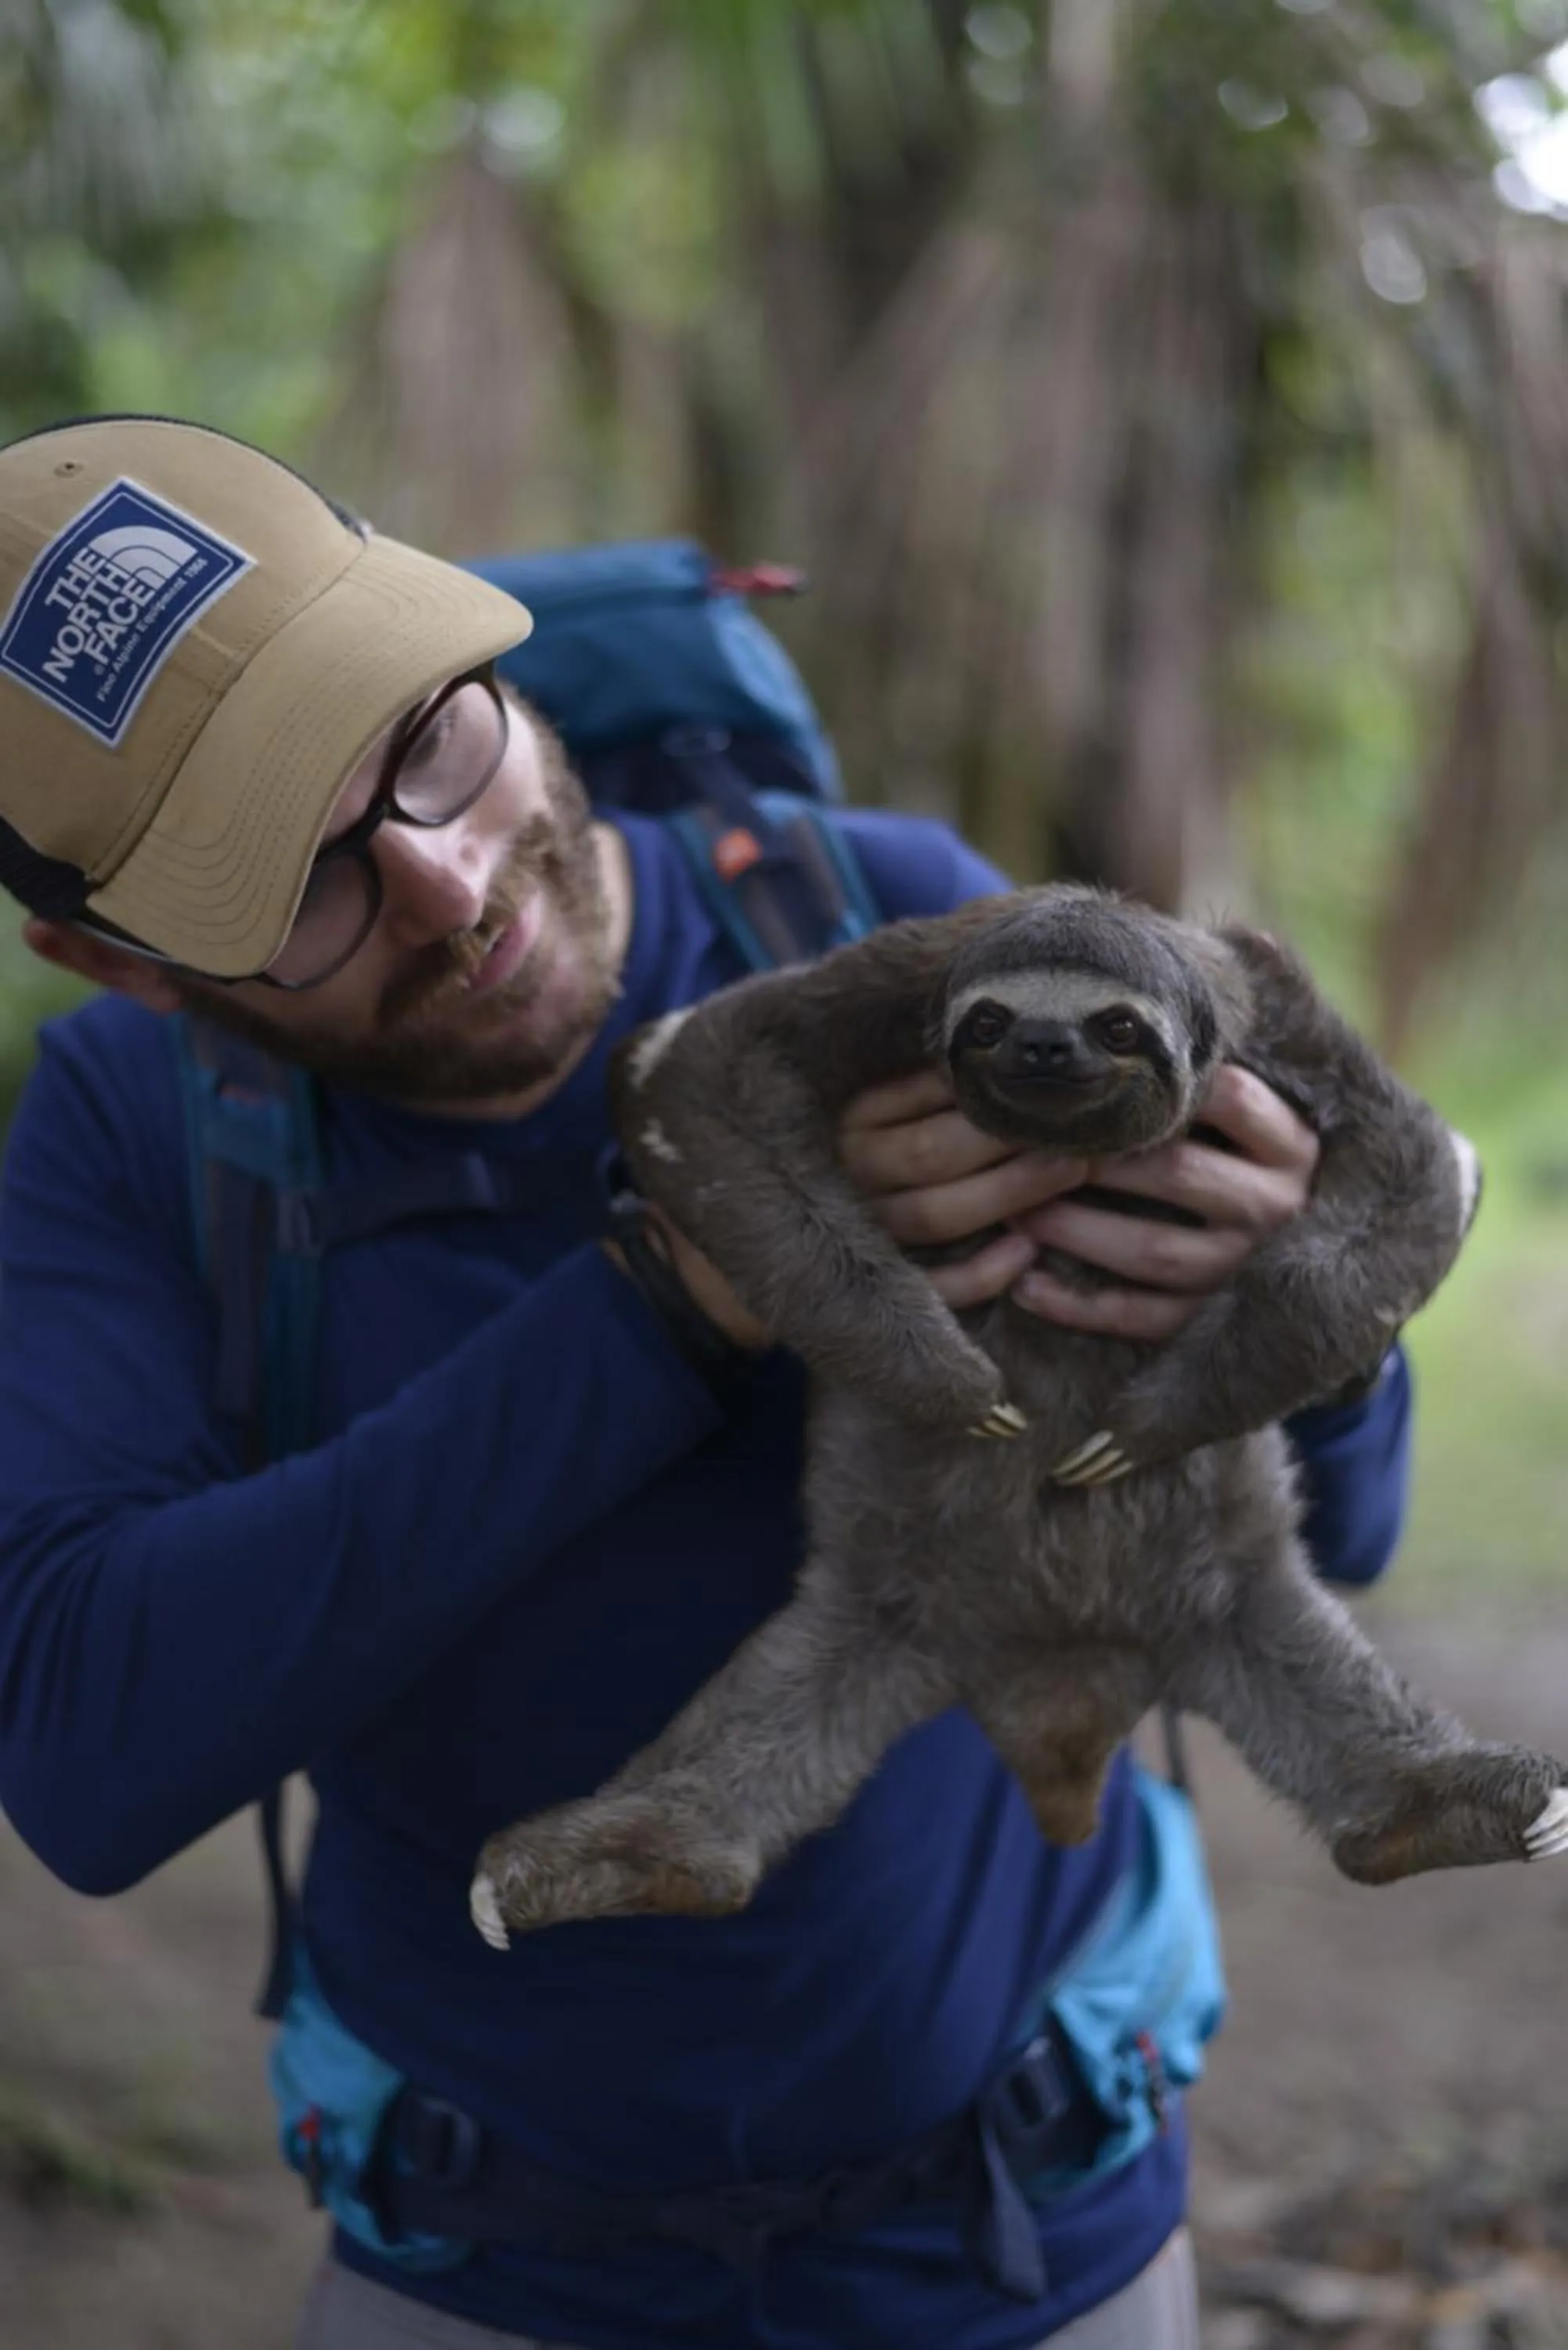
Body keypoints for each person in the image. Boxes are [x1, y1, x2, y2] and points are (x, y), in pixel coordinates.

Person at [0, 415, 1411, 2350]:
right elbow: (86, 1746)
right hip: (486, 2264)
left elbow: (1347, 1518)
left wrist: (1301, 1307)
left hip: (1021, 2224)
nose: (449, 883)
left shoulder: (878, 923)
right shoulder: (130, 1129)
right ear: (117, 961)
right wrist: (666, 1299)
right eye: (295, 878)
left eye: (426, 738)